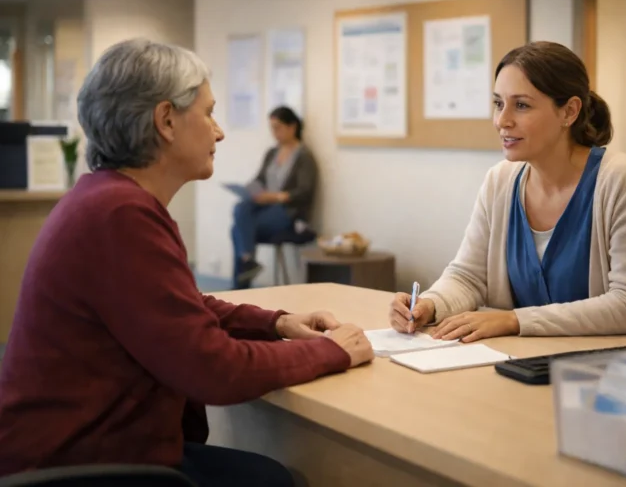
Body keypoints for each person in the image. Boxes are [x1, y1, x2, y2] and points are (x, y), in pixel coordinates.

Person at [0, 38, 374, 486]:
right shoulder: (120, 216)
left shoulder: (104, 200)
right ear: (166, 121)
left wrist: (276, 323)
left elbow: (179, 308)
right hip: (81, 468)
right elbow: (214, 370)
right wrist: (330, 351)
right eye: (209, 113)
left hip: (88, 450)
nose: (219, 132)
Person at [389, 41, 626, 342]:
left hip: (600, 365)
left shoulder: (621, 179)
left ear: (569, 112)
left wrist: (514, 320)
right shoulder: (500, 181)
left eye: (522, 105)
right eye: (498, 104)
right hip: (521, 360)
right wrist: (429, 305)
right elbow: (468, 276)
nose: (502, 121)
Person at [231, 106, 317, 289]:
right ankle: (248, 262)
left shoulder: (304, 156)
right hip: (265, 208)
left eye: (278, 127)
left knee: (237, 229)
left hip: (287, 212)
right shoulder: (272, 153)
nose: (274, 133)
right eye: (272, 128)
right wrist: (252, 190)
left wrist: (276, 197)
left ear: (292, 127)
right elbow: (259, 179)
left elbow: (304, 191)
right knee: (240, 207)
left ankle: (241, 283)